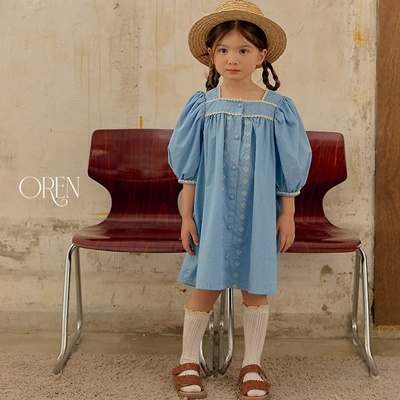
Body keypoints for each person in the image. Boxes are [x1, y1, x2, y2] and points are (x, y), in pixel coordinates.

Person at [168, 0, 312, 398]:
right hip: (211, 212)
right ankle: (187, 359)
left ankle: (252, 364)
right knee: (205, 283)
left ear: (261, 56)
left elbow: (289, 166)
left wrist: (288, 214)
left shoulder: (278, 110)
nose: (233, 58)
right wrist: (187, 218)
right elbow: (189, 171)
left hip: (260, 212)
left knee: (255, 286)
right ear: (211, 55)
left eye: (243, 50)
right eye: (224, 50)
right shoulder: (202, 107)